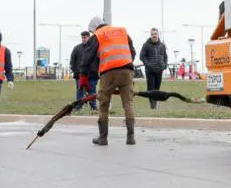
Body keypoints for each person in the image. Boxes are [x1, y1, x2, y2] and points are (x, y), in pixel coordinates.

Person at [83, 16, 137, 145]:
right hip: (127, 71)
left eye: (91, 31)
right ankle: (131, 137)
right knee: (128, 103)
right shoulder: (122, 31)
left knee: (103, 103)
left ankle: (103, 138)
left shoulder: (97, 35)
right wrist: (126, 63)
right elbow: (132, 51)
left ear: (94, 28)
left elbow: (87, 57)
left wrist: (83, 76)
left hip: (109, 72)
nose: (91, 34)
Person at [138, 27, 168, 108]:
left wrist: (165, 65)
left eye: (155, 34)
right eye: (152, 34)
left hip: (159, 70)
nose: (154, 35)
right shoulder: (146, 45)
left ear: (158, 34)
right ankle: (152, 104)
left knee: (157, 88)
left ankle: (155, 102)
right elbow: (141, 56)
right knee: (151, 89)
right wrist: (148, 64)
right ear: (150, 35)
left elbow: (165, 56)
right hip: (150, 71)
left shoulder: (162, 45)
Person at [68, 30, 97, 112]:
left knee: (92, 91)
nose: (84, 39)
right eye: (82, 38)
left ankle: (93, 106)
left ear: (89, 37)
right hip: (79, 74)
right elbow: (72, 61)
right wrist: (75, 71)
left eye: (85, 37)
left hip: (92, 75)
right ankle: (78, 106)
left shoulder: (94, 48)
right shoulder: (77, 48)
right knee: (80, 90)